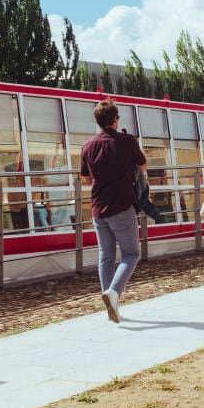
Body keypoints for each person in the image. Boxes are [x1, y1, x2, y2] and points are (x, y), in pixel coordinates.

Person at [79, 99, 147, 324]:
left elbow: (86, 178)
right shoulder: (127, 141)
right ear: (115, 120)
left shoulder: (87, 146)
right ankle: (114, 293)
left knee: (105, 256)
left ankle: (111, 304)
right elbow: (143, 164)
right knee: (131, 254)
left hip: (98, 208)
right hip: (122, 206)